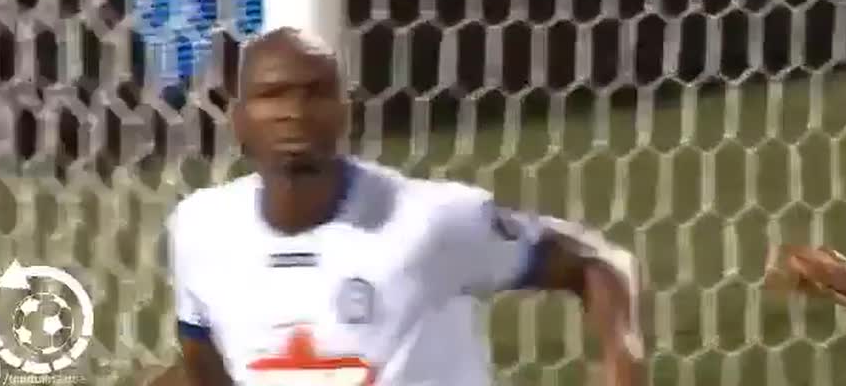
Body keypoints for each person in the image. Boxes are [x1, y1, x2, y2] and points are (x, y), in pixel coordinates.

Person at [165, 27, 644, 386]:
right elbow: (202, 361)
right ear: (238, 120)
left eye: (315, 93)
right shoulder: (201, 229)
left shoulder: (429, 222)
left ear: (345, 113)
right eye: (272, 95)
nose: (294, 112)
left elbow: (599, 264)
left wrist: (623, 358)